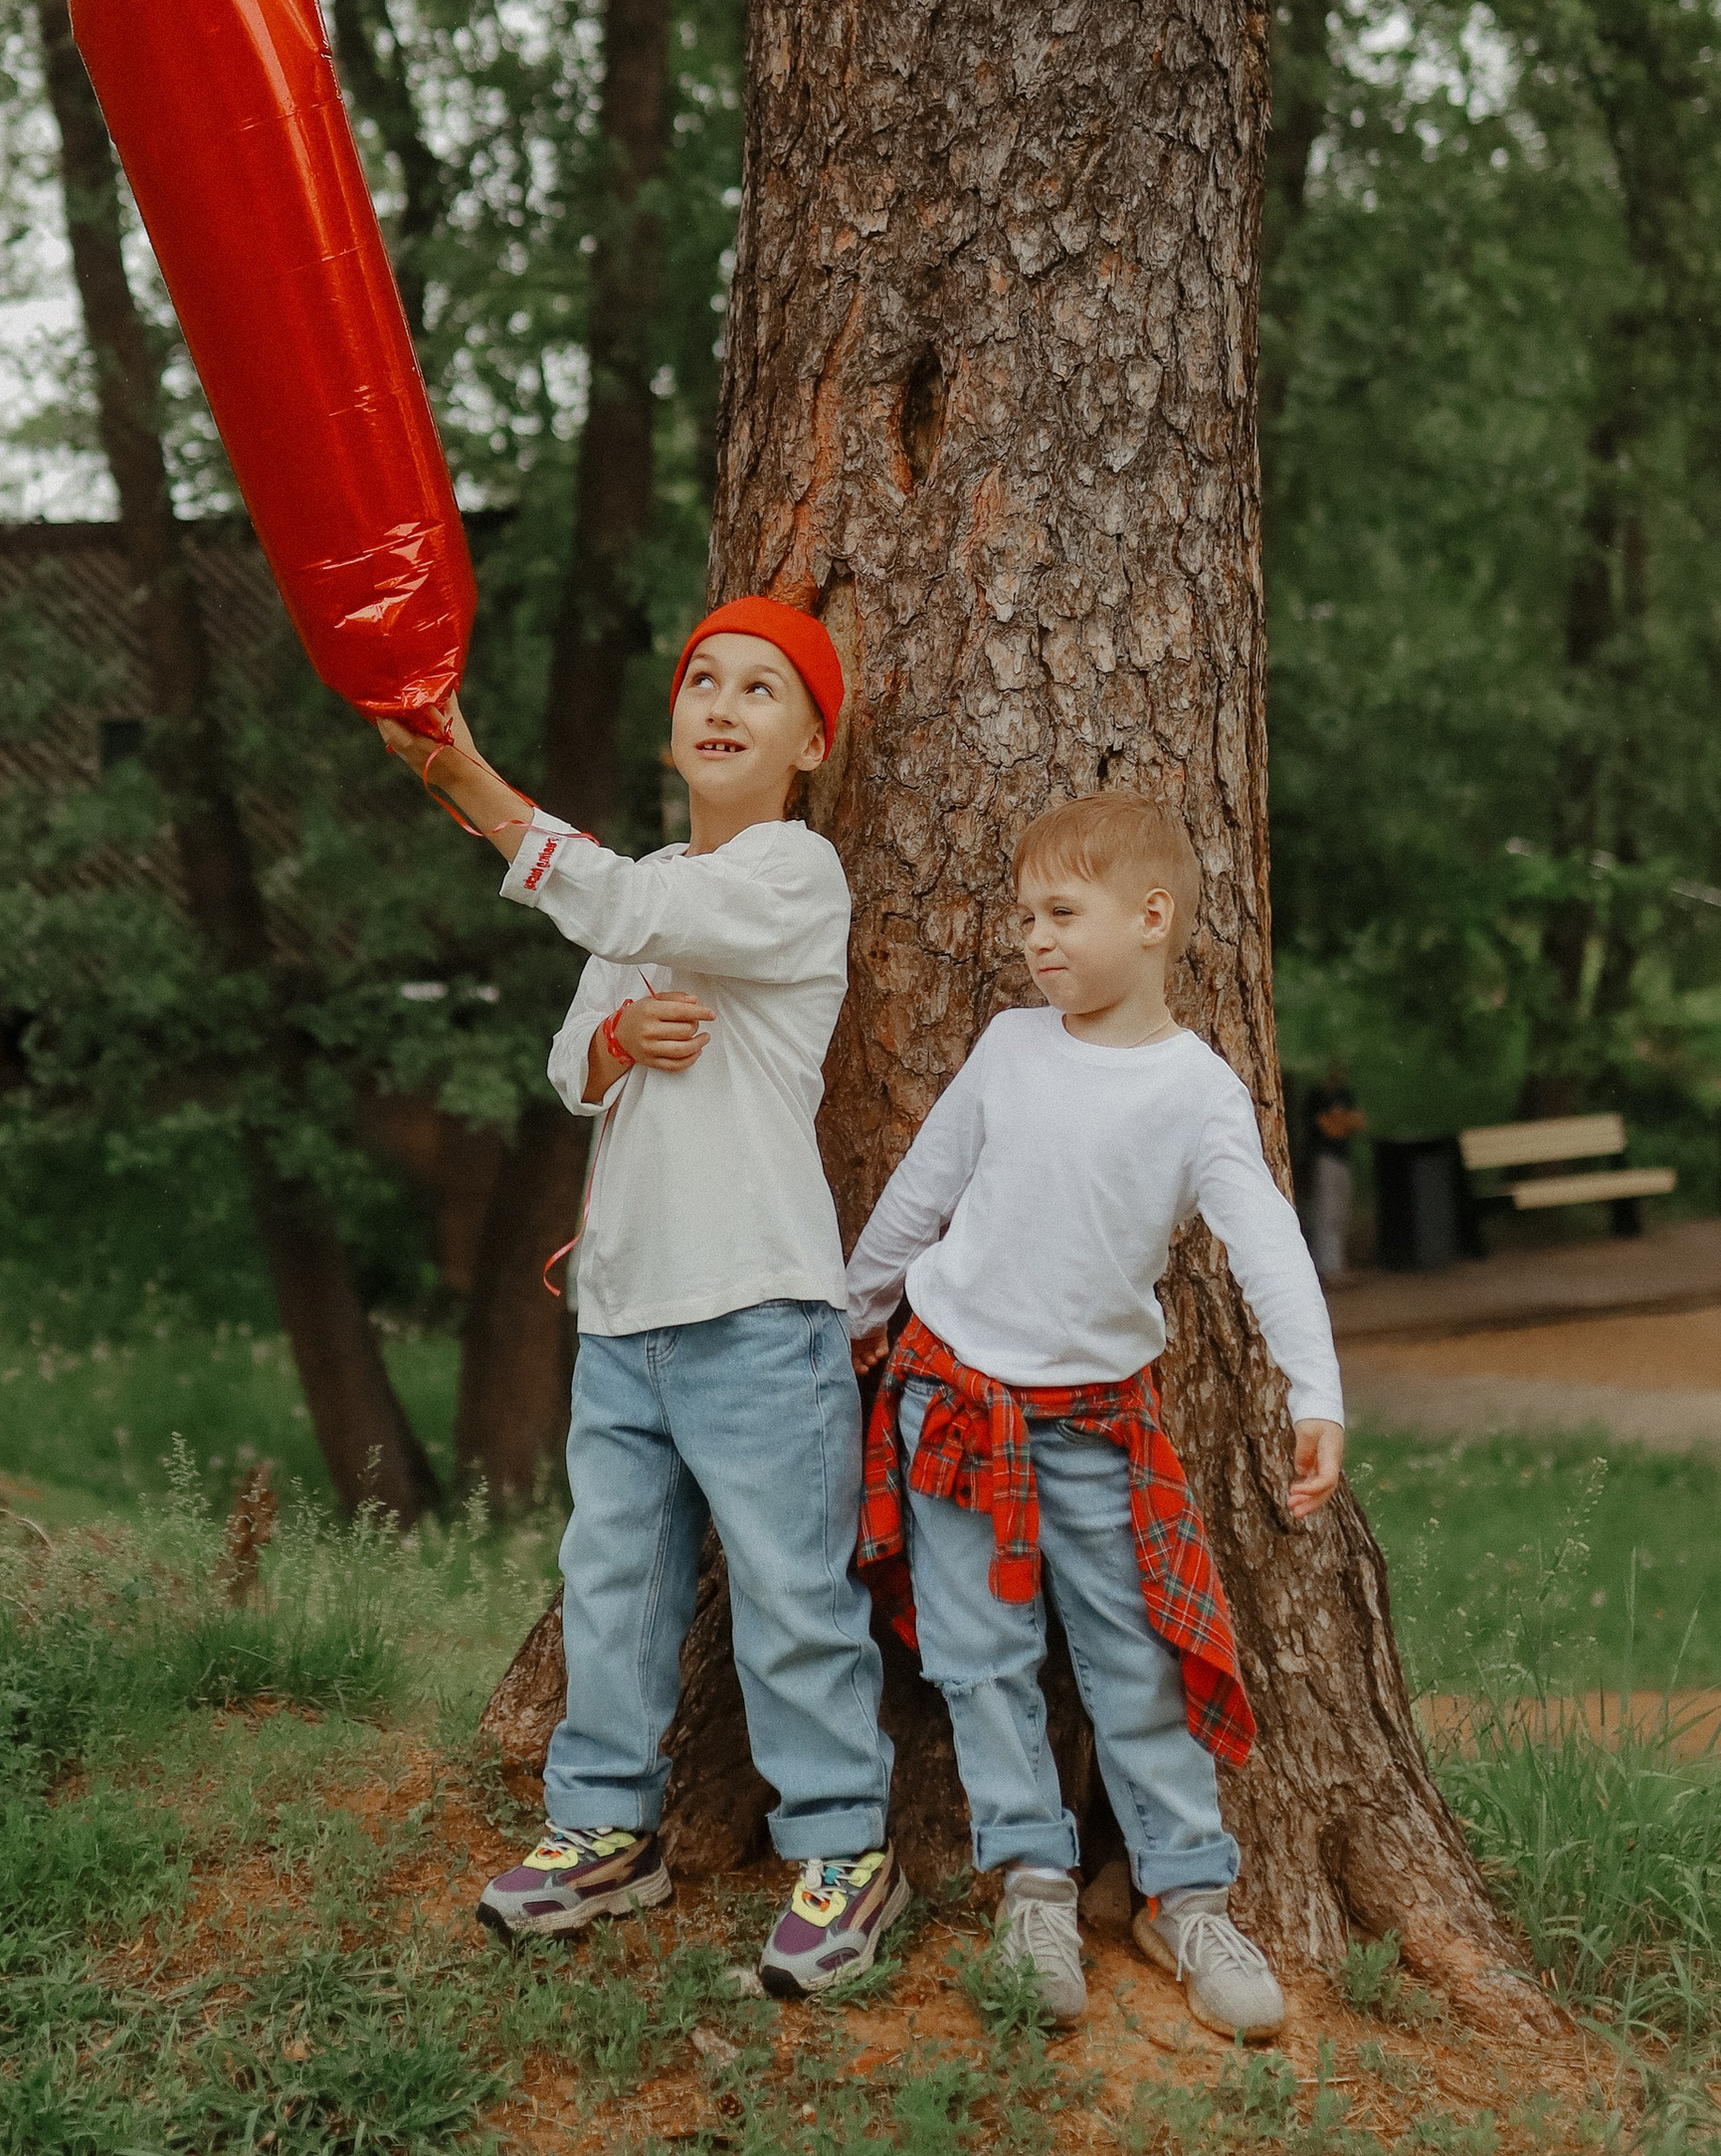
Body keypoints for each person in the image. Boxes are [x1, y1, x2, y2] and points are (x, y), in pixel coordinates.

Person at [381, 598, 900, 2001]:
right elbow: (567, 1061)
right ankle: (609, 1827)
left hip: (756, 1308)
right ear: (676, 720)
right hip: (624, 1318)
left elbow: (632, 907)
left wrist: (474, 790)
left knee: (792, 1596)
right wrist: (614, 1033)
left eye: (763, 688)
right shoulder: (649, 878)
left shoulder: (794, 875)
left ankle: (847, 1848)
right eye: (702, 680)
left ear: (810, 743)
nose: (723, 703)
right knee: (612, 1586)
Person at [845, 793, 1343, 2043]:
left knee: (1134, 1661)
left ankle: (1185, 1890)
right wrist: (848, 1310)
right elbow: (922, 1192)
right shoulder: (1011, 1049)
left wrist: (1313, 1385)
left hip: (1096, 1430)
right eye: (1025, 917)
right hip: (954, 1410)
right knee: (980, 1658)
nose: (1034, 939)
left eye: (1061, 914)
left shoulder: (1194, 1090)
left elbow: (1262, 1241)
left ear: (1152, 918)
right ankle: (1031, 1882)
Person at [1299, 1066, 1367, 1277]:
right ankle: (1328, 1268)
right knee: (1327, 1212)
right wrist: (1342, 1122)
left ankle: (1336, 1264)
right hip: (1324, 1158)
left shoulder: (1345, 1094)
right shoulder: (1317, 1096)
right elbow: (1327, 1127)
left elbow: (1359, 1122)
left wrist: (1343, 1122)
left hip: (1342, 1158)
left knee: (1341, 1212)